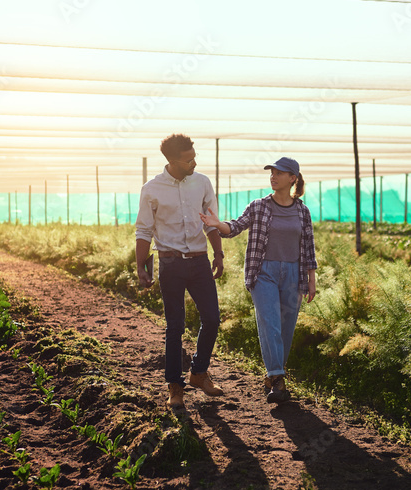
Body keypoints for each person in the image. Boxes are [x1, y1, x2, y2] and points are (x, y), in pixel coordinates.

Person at [200, 156, 316, 403]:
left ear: (293, 178)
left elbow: (308, 248)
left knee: (286, 330)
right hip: (263, 272)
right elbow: (236, 227)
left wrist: (311, 279)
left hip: (293, 274)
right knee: (270, 324)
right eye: (271, 172)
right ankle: (278, 380)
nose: (273, 176)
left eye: (279, 173)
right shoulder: (259, 206)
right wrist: (217, 225)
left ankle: (273, 376)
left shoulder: (302, 211)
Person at [135, 134, 225, 407]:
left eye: (194, 156)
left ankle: (198, 373)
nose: (194, 162)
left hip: (199, 262)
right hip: (170, 264)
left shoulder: (202, 183)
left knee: (211, 319)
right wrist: (141, 267)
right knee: (175, 327)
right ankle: (175, 386)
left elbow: (211, 223)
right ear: (173, 161)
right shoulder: (152, 189)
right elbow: (144, 230)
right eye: (189, 159)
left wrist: (218, 253)